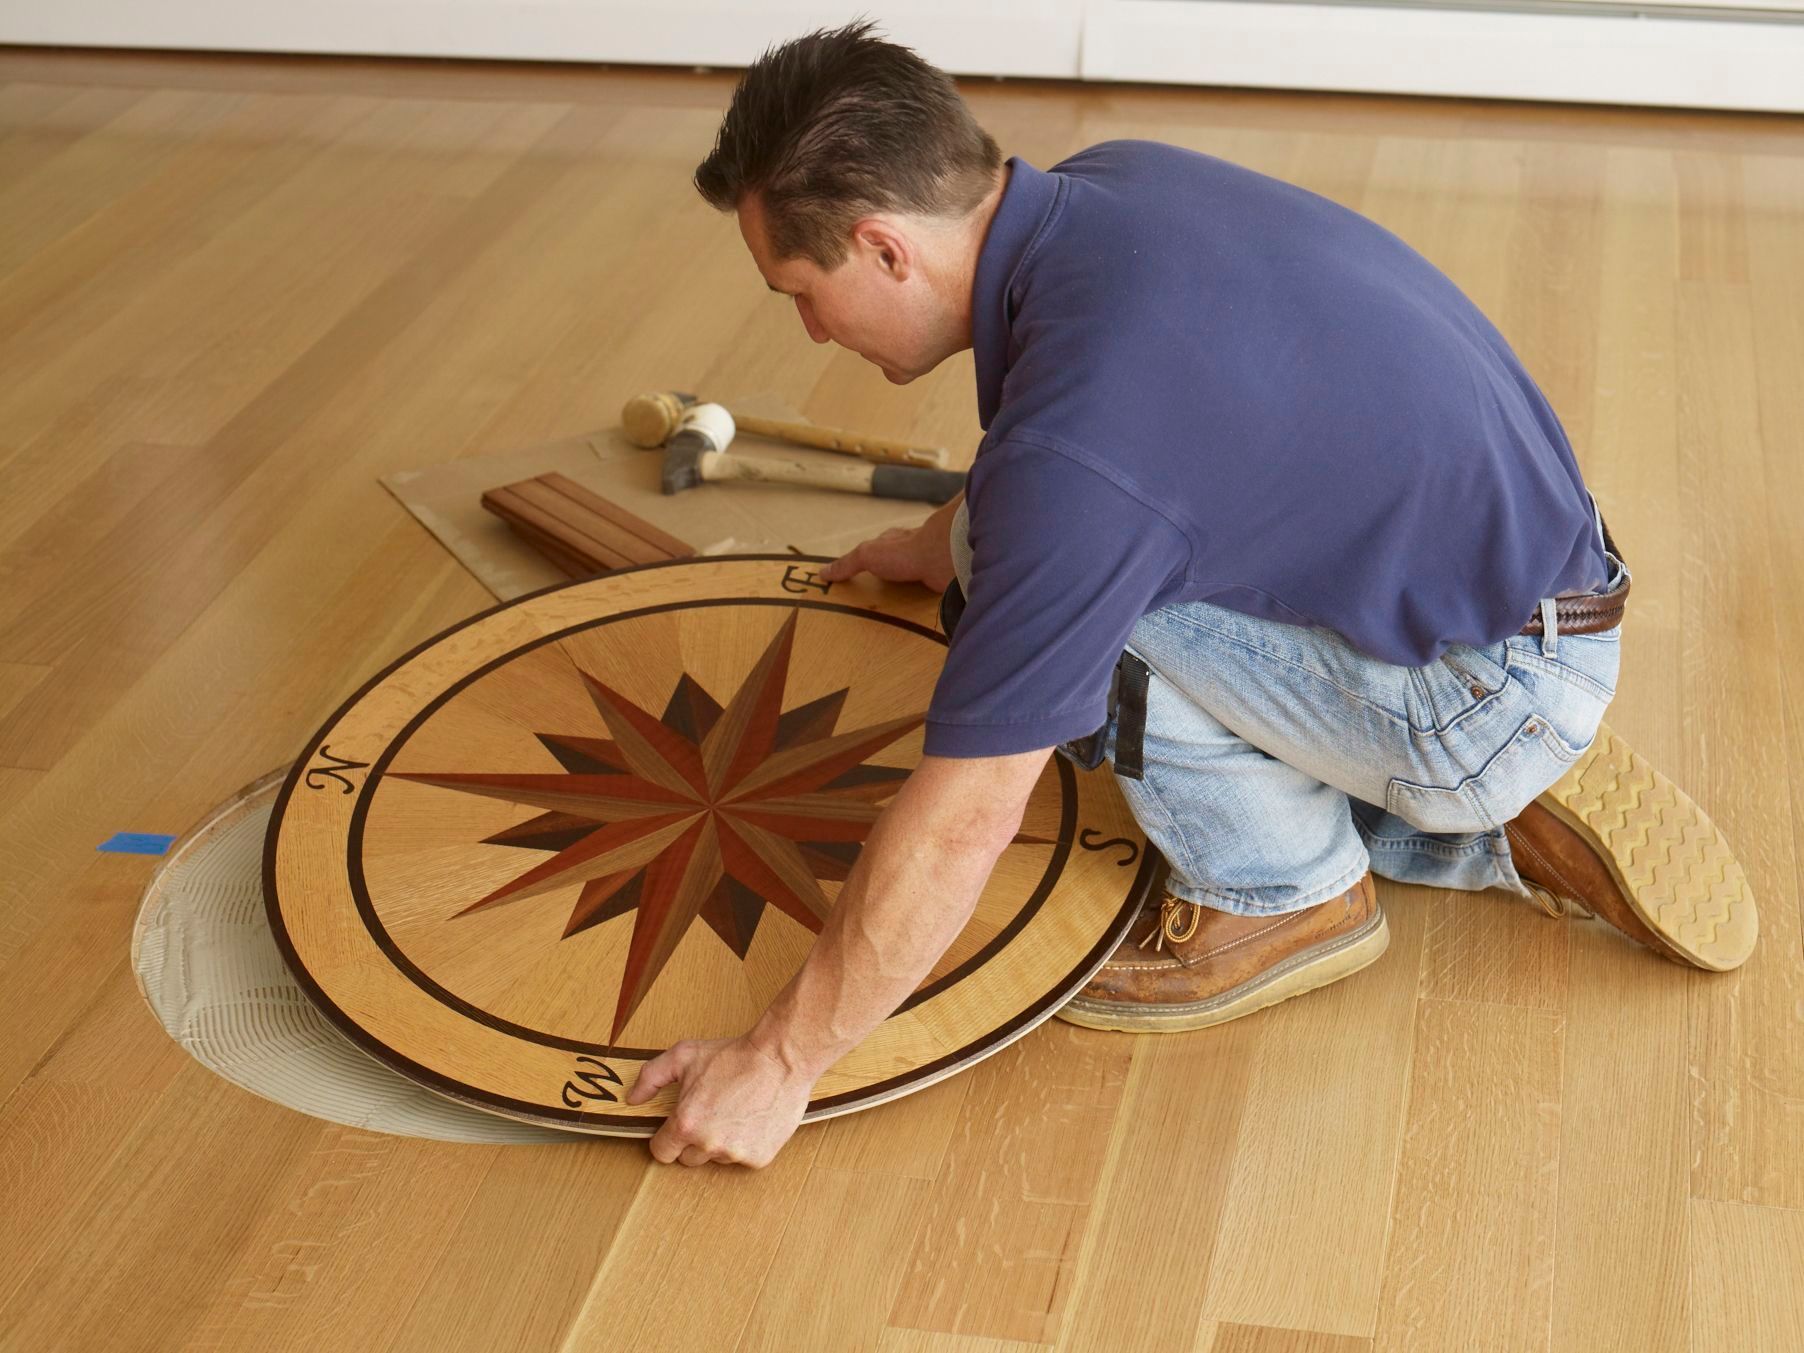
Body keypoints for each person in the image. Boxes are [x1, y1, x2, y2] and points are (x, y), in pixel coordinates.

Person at [623, 20, 1756, 1167]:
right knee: (1024, 546)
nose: (810, 328)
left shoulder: (1073, 461)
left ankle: (1286, 891)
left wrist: (779, 1064)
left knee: (1079, 608)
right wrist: (945, 534)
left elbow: (968, 811)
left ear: (883, 248)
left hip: (1487, 688)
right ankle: (1450, 808)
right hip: (1535, 583)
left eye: (799, 292)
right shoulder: (1113, 186)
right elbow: (1140, 442)